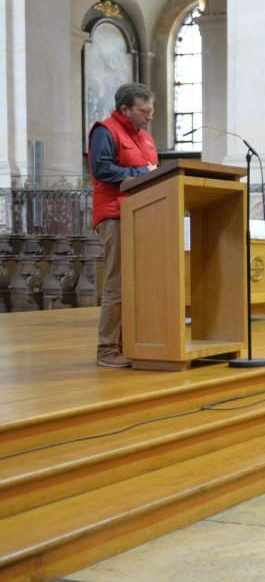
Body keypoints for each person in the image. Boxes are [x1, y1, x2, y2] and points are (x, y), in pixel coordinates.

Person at [88, 82, 159, 368]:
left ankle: (131, 343)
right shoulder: (104, 131)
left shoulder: (146, 138)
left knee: (139, 282)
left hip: (144, 214)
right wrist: (142, 172)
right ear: (125, 109)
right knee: (117, 283)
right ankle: (106, 349)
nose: (149, 116)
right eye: (144, 111)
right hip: (114, 213)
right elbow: (101, 169)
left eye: (151, 110)